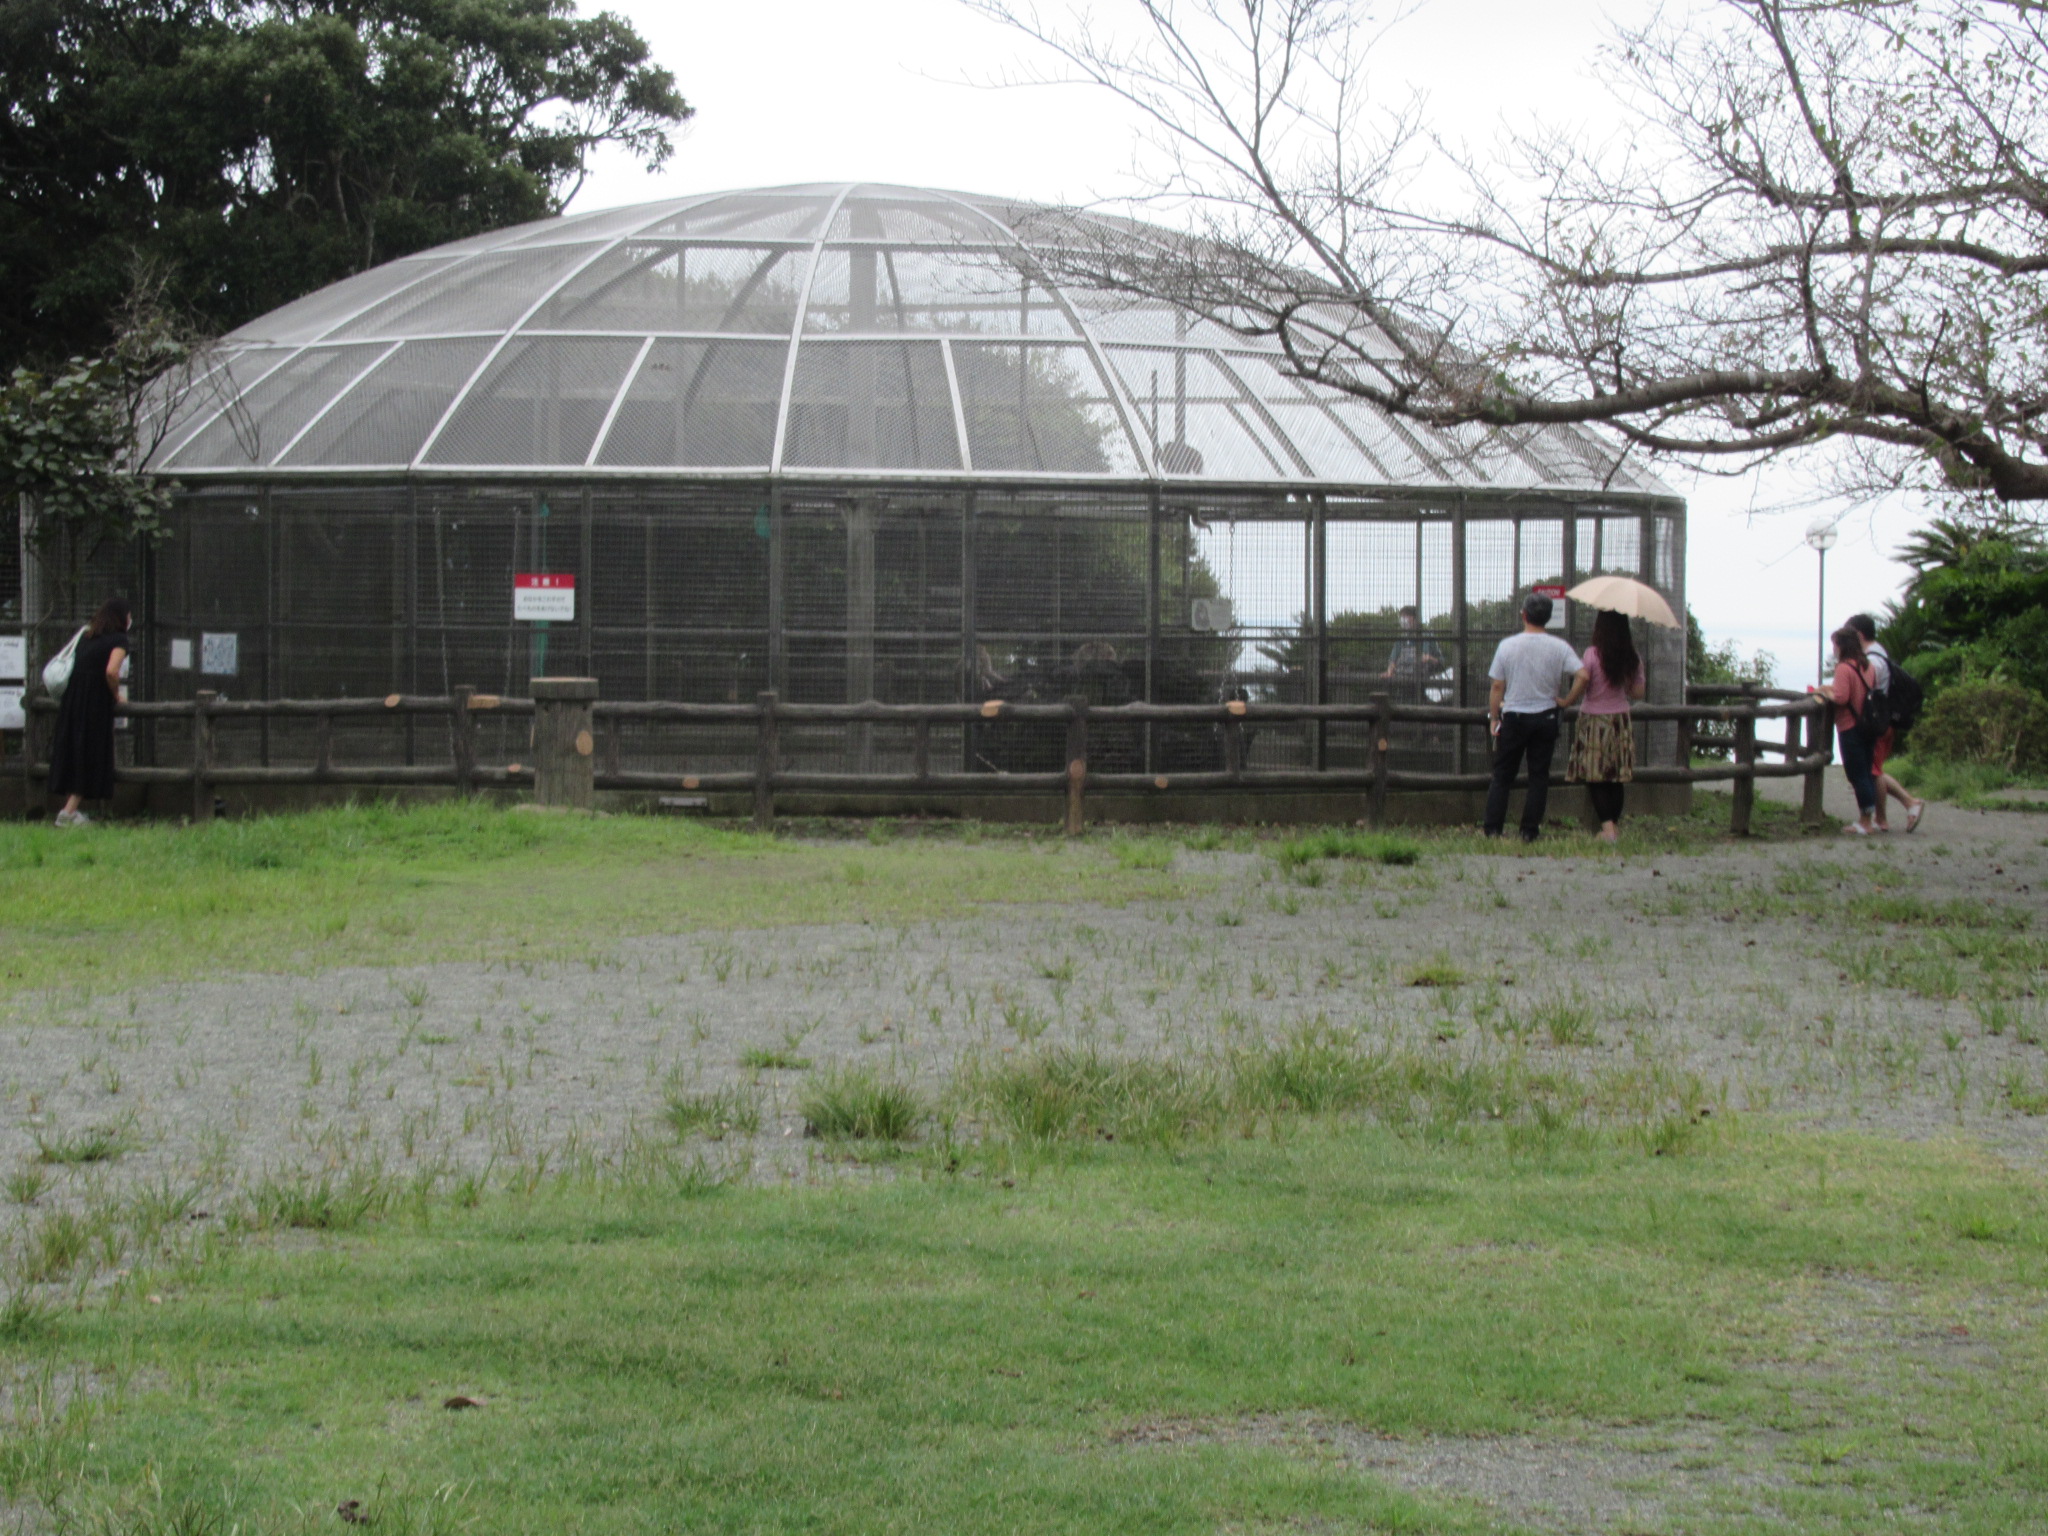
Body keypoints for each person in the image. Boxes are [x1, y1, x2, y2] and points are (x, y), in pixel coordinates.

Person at [1483, 594, 1582, 841]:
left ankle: (1493, 829)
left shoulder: (1508, 645)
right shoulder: (1560, 647)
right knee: (1539, 776)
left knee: (1503, 775)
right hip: (1546, 716)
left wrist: (1494, 717)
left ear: (1524, 614)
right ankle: (1529, 831)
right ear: (1547, 617)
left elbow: (1497, 686)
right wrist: (1568, 701)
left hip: (1515, 716)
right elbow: (1583, 675)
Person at [1561, 608, 1646, 843]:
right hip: (1620, 720)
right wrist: (1624, 681)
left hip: (1594, 720)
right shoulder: (1632, 657)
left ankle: (1607, 829)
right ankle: (1614, 828)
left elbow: (1583, 679)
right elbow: (1638, 692)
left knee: (1595, 774)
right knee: (1616, 775)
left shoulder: (1592, 654)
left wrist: (1567, 700)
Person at [47, 597, 133, 827]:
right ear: (122, 617)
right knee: (89, 751)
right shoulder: (120, 639)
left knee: (74, 747)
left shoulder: (87, 636)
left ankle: (71, 811)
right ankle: (67, 813)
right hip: (95, 702)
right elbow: (112, 672)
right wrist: (116, 696)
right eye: (128, 614)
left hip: (73, 699)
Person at [1846, 612, 1926, 832]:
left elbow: (1866, 689)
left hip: (1878, 721)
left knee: (1873, 772)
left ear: (1858, 635)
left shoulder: (1872, 660)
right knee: (1874, 770)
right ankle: (1890, 814)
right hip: (1885, 719)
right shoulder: (1879, 653)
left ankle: (1896, 810)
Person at [1813, 626, 1880, 835]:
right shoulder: (1867, 665)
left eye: (1834, 644)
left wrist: (1824, 691)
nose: (1833, 649)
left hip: (1850, 725)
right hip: (1868, 725)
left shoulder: (1844, 668)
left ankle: (1865, 821)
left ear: (1842, 645)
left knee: (1856, 773)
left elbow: (1841, 697)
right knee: (1866, 771)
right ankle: (1869, 818)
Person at [1382, 605, 1445, 697]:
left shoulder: (1428, 636)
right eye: (1402, 617)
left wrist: (1429, 658)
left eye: (1406, 616)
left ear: (1415, 619)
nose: (1403, 620)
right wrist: (1389, 671)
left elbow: (1441, 661)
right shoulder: (1401, 639)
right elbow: (1393, 659)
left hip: (1423, 681)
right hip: (1403, 681)